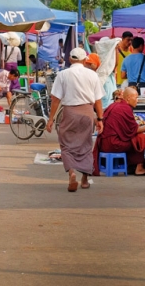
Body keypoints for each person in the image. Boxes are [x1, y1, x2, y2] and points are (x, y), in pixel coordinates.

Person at [47, 48, 105, 192]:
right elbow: (98, 100)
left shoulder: (63, 74)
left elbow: (55, 99)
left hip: (69, 112)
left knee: (66, 144)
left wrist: (51, 119)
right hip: (87, 113)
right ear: (85, 60)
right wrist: (100, 118)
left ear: (71, 59)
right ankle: (84, 180)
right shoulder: (92, 75)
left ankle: (72, 172)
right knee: (85, 145)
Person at [93, 87, 145, 176]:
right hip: (113, 144)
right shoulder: (125, 108)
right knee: (142, 138)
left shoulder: (114, 105)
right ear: (128, 98)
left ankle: (131, 166)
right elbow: (132, 131)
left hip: (103, 143)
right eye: (136, 97)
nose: (137, 100)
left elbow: (127, 130)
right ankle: (139, 167)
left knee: (137, 139)